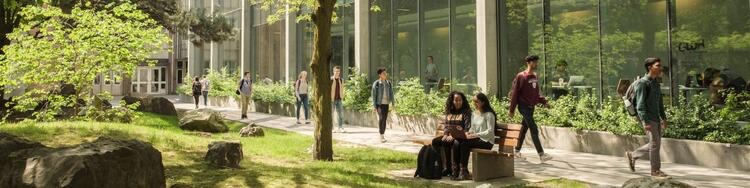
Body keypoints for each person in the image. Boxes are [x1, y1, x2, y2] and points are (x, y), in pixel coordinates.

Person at [625, 57, 669, 178]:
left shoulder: (655, 83)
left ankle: (633, 155)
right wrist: (645, 121)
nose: (660, 68)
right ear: (650, 67)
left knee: (655, 143)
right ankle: (655, 171)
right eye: (658, 66)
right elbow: (640, 105)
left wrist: (663, 118)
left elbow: (659, 102)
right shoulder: (642, 84)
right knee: (655, 144)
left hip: (655, 117)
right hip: (647, 117)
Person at [509, 55, 553, 163]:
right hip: (523, 107)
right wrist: (512, 109)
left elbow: (536, 93)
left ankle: (517, 151)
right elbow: (515, 94)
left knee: (524, 129)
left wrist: (544, 102)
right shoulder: (521, 76)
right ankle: (542, 155)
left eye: (537, 62)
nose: (537, 64)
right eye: (535, 62)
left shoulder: (534, 76)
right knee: (534, 128)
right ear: (529, 63)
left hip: (531, 107)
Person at [431, 91, 472, 180]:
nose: (458, 102)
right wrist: (445, 134)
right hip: (449, 136)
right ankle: (444, 167)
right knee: (436, 141)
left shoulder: (466, 112)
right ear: (452, 101)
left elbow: (467, 128)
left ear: (463, 101)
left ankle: (455, 170)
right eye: (456, 100)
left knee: (455, 143)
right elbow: (446, 125)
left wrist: (453, 136)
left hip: (461, 138)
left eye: (460, 100)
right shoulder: (450, 112)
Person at [456, 93, 497, 180]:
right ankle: (459, 170)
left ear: (483, 102)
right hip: (477, 139)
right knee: (459, 142)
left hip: (487, 142)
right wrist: (468, 133)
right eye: (473, 101)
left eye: (476, 102)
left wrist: (476, 135)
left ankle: (463, 171)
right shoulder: (474, 114)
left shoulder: (489, 115)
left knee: (464, 144)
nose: (474, 103)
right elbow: (472, 128)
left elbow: (490, 132)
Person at [371, 68, 394, 143]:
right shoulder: (376, 83)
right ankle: (381, 135)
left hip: (386, 104)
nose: (385, 74)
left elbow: (391, 93)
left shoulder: (388, 83)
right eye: (384, 73)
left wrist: (393, 103)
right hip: (379, 104)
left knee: (384, 119)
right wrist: (374, 106)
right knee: (381, 118)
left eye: (385, 73)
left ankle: (382, 134)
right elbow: (374, 95)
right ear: (380, 75)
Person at [332, 66, 346, 132]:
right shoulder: (331, 79)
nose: (337, 73)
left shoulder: (341, 80)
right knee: (331, 114)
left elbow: (342, 88)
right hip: (332, 99)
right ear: (333, 72)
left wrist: (343, 95)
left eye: (338, 71)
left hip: (339, 99)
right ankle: (332, 128)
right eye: (336, 71)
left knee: (340, 114)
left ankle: (340, 127)